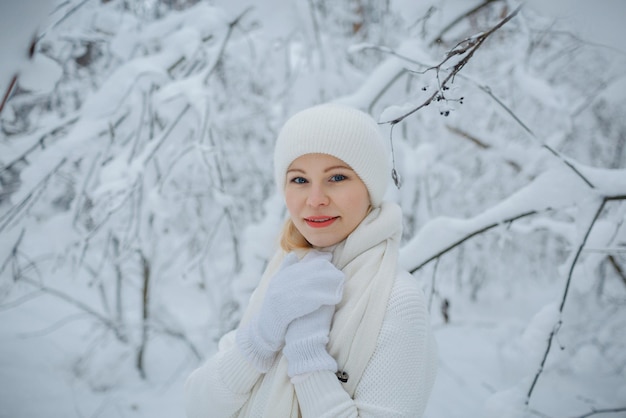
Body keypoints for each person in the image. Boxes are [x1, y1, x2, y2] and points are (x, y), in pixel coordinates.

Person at [184, 103, 438, 418]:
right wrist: (258, 340)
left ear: (370, 188)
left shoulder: (396, 301)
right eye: (299, 180)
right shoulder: (285, 274)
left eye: (337, 177)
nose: (315, 199)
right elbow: (197, 405)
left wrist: (309, 361)